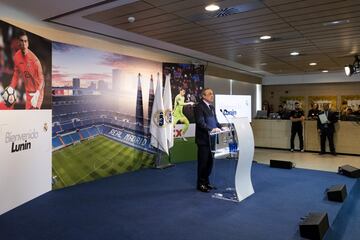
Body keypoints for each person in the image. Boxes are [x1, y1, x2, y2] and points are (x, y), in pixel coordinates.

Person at [3, 31, 44, 109]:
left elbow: (42, 79)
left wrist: (38, 92)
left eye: (26, 41)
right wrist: (11, 87)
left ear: (28, 43)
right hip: (28, 93)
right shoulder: (16, 57)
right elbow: (16, 74)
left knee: (34, 115)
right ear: (18, 43)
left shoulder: (35, 60)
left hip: (37, 94)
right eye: (22, 41)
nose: (24, 43)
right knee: (28, 117)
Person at [194, 88, 223, 193]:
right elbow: (200, 122)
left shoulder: (211, 107)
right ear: (203, 96)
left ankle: (206, 182)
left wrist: (222, 127)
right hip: (203, 140)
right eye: (210, 94)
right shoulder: (199, 106)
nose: (212, 95)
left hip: (212, 140)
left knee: (210, 163)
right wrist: (211, 129)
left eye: (213, 93)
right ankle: (200, 184)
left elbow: (215, 122)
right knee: (203, 163)